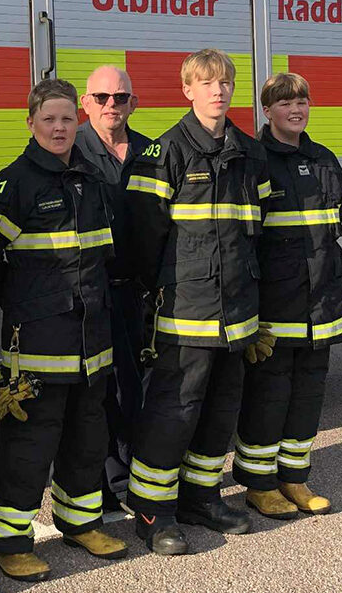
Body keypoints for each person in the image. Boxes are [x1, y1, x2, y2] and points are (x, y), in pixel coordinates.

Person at [0, 78, 127, 582]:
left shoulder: (91, 180)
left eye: (66, 119)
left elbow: (104, 256)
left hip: (91, 337)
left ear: (77, 122)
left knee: (88, 434)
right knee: (30, 442)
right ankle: (6, 542)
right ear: (31, 123)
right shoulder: (12, 185)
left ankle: (81, 523)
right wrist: (28, 306)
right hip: (38, 339)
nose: (59, 128)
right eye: (49, 119)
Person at [123, 49, 272, 555]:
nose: (217, 90)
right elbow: (143, 241)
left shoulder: (250, 153)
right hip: (186, 310)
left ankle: (201, 498)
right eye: (206, 83)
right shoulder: (165, 152)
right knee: (174, 412)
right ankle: (152, 511)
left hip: (237, 312)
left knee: (220, 410)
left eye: (225, 82)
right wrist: (165, 292)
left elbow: (260, 232)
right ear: (187, 90)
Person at [233, 73, 342, 519]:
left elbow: (335, 218)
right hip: (276, 303)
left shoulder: (324, 160)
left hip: (322, 303)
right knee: (269, 394)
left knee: (308, 395)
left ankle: (295, 478)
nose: (295, 110)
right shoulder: (255, 161)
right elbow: (244, 237)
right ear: (267, 111)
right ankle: (259, 484)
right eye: (284, 103)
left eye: (301, 101)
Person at [72, 66, 152, 512]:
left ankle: (128, 474)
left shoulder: (151, 151)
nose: (111, 105)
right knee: (95, 391)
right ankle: (102, 483)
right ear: (85, 103)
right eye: (101, 97)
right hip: (89, 293)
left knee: (133, 386)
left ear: (133, 104)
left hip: (136, 292)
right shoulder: (71, 151)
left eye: (120, 97)